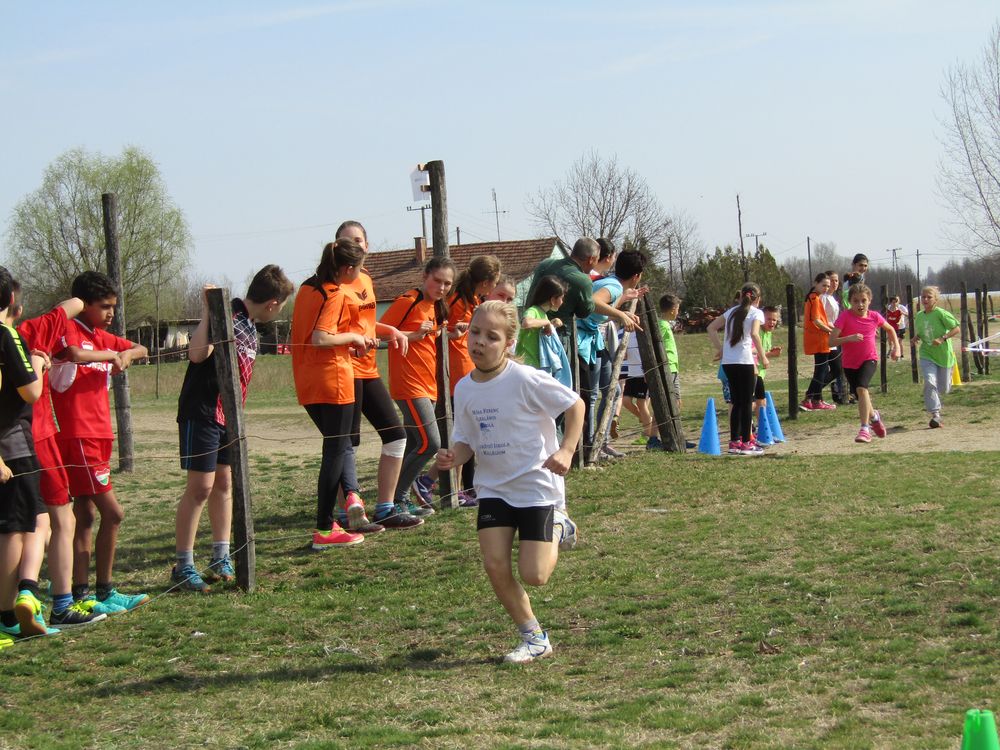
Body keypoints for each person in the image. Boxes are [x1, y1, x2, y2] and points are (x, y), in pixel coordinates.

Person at [435, 301, 583, 663]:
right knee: (495, 565)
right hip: (493, 490)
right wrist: (453, 457)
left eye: (491, 336)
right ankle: (534, 637)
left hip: (536, 488)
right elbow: (467, 441)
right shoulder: (464, 388)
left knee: (534, 575)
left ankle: (560, 525)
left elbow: (575, 404)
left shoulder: (525, 379)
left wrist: (566, 450)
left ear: (509, 343)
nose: (479, 342)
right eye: (475, 333)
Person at [172, 266, 294, 591]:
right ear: (272, 303)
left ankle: (220, 556)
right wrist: (207, 313)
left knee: (224, 484)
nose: (279, 312)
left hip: (229, 416)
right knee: (200, 488)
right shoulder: (226, 314)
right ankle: (183, 565)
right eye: (281, 306)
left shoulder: (250, 326)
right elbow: (197, 354)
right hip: (202, 411)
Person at [49, 271, 150, 614]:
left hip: (100, 435)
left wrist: (127, 355)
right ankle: (103, 590)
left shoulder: (100, 335)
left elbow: (141, 348)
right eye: (104, 306)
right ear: (83, 305)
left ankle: (83, 594)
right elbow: (74, 354)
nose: (111, 313)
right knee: (114, 513)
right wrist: (111, 356)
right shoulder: (69, 329)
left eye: (113, 307)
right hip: (79, 437)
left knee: (86, 514)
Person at [14, 285, 110, 628]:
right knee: (61, 520)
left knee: (22, 525)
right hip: (37, 436)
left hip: (10, 445)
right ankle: (60, 603)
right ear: (14, 305)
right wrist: (84, 296)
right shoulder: (29, 331)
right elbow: (72, 306)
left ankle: (12, 607)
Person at [333, 221, 416, 532]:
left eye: (358, 240)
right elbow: (330, 331)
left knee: (396, 435)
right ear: (336, 248)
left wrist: (392, 330)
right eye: (346, 241)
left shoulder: (365, 278)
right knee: (347, 443)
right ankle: (347, 513)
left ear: (366, 245)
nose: (353, 245)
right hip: (345, 370)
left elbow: (367, 325)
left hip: (369, 369)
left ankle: (385, 507)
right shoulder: (335, 283)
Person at [291, 240, 369, 549]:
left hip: (307, 380)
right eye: (359, 268)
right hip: (334, 381)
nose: (360, 273)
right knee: (335, 453)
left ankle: (337, 513)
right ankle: (324, 529)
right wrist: (355, 337)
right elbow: (321, 337)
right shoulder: (334, 293)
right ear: (347, 269)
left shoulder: (306, 288)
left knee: (337, 449)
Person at [417, 255, 501, 508]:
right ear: (485, 282)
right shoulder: (455, 299)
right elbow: (441, 331)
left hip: (469, 372)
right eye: (494, 283)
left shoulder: (473, 299)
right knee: (461, 434)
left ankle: (459, 487)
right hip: (455, 376)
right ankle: (434, 482)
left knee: (469, 433)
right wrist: (457, 331)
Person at [380, 256, 456, 521]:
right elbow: (379, 332)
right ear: (425, 276)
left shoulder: (435, 306)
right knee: (430, 443)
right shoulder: (408, 300)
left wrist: (449, 332)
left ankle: (396, 501)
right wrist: (413, 335)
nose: (442, 287)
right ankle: (398, 497)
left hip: (428, 384)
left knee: (415, 443)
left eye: (447, 284)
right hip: (409, 383)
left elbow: (427, 338)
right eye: (438, 281)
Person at [0, 267, 54, 644]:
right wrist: (38, 363)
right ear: (11, 301)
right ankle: (6, 615)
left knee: (40, 519)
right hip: (12, 443)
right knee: (13, 530)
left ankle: (28, 592)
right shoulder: (7, 335)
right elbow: (31, 392)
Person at [577, 250, 647, 461]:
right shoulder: (614, 286)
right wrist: (620, 315)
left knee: (613, 391)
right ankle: (590, 446)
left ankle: (602, 441)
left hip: (594, 342)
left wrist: (621, 312)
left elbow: (598, 310)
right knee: (591, 396)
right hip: (585, 342)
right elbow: (593, 302)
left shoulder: (611, 284)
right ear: (637, 276)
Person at [829, 283, 900, 443]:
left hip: (869, 359)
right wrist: (849, 338)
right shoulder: (845, 317)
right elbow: (831, 341)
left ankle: (865, 429)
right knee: (861, 395)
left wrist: (897, 348)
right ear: (850, 302)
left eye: (863, 300)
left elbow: (890, 329)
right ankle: (874, 417)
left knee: (862, 388)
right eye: (855, 301)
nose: (860, 304)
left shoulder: (874, 316)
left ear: (869, 301)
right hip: (849, 364)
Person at [707, 283, 769, 455]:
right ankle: (747, 442)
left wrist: (721, 348)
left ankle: (735, 442)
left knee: (736, 401)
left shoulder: (731, 311)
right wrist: (763, 356)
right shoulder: (756, 312)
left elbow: (711, 328)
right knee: (747, 402)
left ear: (741, 296)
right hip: (745, 361)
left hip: (728, 362)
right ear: (758, 299)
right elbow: (755, 334)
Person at [913, 286, 960, 428]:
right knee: (929, 381)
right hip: (927, 353)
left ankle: (937, 404)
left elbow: (956, 328)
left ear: (935, 299)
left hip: (943, 355)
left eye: (929, 297)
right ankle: (935, 414)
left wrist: (942, 338)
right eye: (923, 297)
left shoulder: (941, 314)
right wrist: (916, 337)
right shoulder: (919, 315)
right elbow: (923, 330)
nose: (925, 299)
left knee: (943, 388)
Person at [515, 275, 567, 378]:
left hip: (536, 365)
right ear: (553, 299)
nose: (562, 302)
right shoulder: (533, 310)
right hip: (526, 364)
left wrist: (551, 324)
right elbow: (526, 323)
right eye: (561, 298)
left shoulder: (543, 314)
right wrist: (547, 322)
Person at [801, 273, 837, 411]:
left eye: (828, 286)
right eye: (824, 285)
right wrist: (830, 330)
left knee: (821, 370)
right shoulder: (814, 299)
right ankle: (814, 399)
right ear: (815, 283)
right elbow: (816, 321)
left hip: (819, 338)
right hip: (819, 339)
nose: (826, 288)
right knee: (821, 371)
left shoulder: (814, 298)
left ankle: (814, 399)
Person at [822, 270, 848, 404]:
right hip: (825, 336)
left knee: (836, 369)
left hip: (834, 336)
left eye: (836, 280)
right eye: (831, 280)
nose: (834, 283)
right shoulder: (823, 298)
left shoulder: (833, 298)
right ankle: (812, 393)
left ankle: (814, 394)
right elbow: (821, 318)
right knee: (832, 368)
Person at [754, 305, 782, 417]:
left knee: (758, 401)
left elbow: (763, 352)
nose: (772, 322)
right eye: (768, 319)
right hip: (754, 370)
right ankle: (760, 424)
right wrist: (772, 354)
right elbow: (754, 353)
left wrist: (771, 351)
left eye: (774, 320)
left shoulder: (768, 333)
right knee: (760, 401)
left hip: (760, 371)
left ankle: (755, 424)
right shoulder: (757, 332)